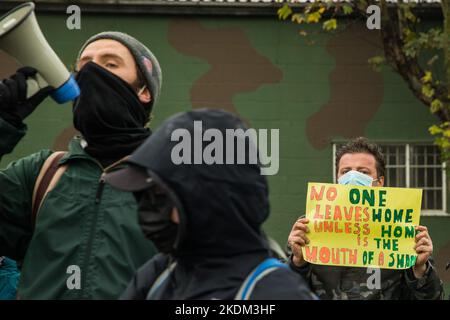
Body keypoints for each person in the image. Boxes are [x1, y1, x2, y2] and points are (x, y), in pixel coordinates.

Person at [0, 31, 162, 299]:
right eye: (83, 66)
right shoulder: (41, 173)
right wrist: (3, 122)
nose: (92, 72)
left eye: (110, 64)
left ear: (144, 91)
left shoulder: (176, 179)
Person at [104, 108, 316, 300]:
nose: (147, 210)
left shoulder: (276, 293)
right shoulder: (160, 275)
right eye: (145, 195)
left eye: (160, 195)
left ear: (205, 202)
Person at [287, 137, 444, 300]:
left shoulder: (404, 229)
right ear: (337, 179)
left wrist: (420, 270)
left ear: (379, 182)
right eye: (345, 171)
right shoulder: (310, 226)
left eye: (363, 172)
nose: (353, 178)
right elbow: (282, 293)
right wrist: (297, 263)